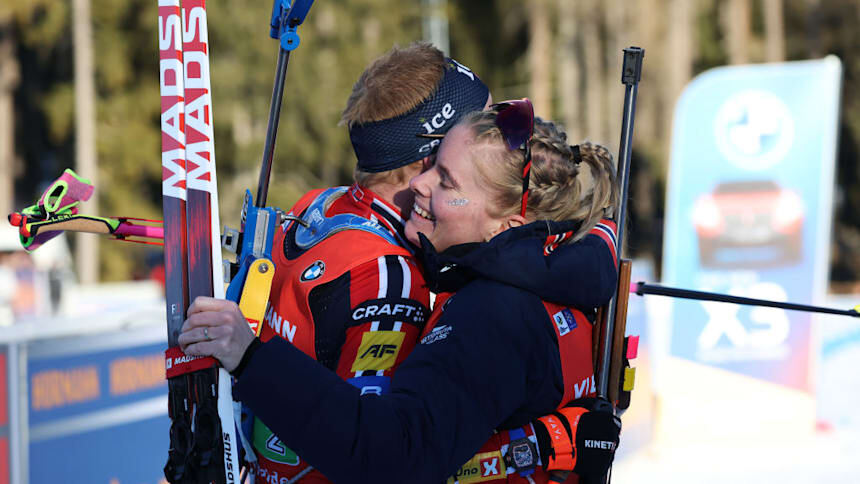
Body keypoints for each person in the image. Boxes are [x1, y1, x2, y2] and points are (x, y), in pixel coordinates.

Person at [180, 101, 622, 483]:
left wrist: (251, 357)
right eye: (432, 166)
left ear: (506, 226)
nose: (419, 185)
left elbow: (391, 456)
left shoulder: (493, 314)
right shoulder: (557, 275)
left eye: (446, 182)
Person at [243, 42, 492, 483]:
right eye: (482, 133)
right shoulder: (387, 275)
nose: (496, 148)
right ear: (432, 156)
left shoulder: (322, 204)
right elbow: (370, 449)